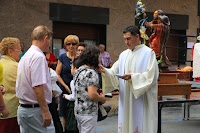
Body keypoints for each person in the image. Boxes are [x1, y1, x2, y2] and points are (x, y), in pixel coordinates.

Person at [99, 26, 159, 133]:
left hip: (142, 98)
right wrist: (104, 70)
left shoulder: (148, 53)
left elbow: (152, 75)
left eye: (128, 38)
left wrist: (133, 77)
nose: (126, 42)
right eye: (125, 39)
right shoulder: (123, 54)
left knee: (142, 124)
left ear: (137, 36)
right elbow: (113, 72)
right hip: (126, 98)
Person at [16, 25, 55, 133]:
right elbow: (37, 86)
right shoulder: (38, 57)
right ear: (45, 38)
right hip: (35, 110)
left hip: (25, 109)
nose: (49, 44)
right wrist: (45, 111)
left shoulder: (26, 56)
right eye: (49, 40)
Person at [74, 45, 106, 133]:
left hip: (78, 110)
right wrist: (102, 99)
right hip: (89, 112)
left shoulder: (78, 70)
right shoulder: (91, 73)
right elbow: (92, 95)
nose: (100, 59)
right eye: (99, 56)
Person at [56, 35, 79, 133]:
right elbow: (57, 74)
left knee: (77, 113)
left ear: (77, 45)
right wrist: (65, 86)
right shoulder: (62, 57)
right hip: (64, 88)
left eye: (73, 44)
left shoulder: (81, 58)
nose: (71, 46)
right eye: (68, 44)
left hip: (78, 89)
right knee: (65, 113)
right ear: (65, 45)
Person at [0, 37, 21, 133]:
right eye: (19, 49)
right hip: (11, 112)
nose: (20, 52)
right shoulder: (17, 67)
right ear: (10, 52)